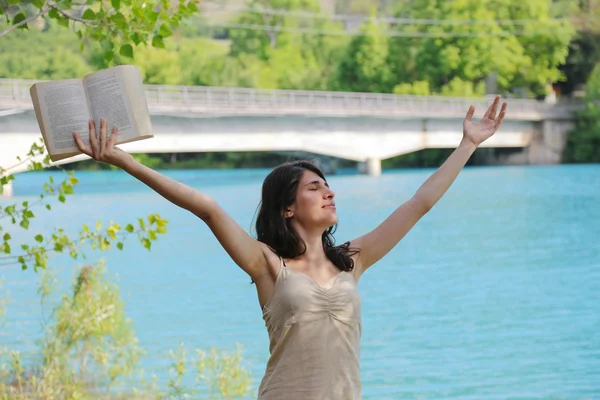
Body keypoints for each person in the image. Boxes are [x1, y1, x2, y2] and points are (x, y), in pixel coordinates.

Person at [73, 96, 507, 399]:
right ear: (286, 208)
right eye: (315, 188)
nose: (329, 193)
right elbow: (205, 207)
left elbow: (419, 204)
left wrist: (467, 144)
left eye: (329, 186)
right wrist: (126, 162)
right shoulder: (267, 265)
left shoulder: (352, 261)